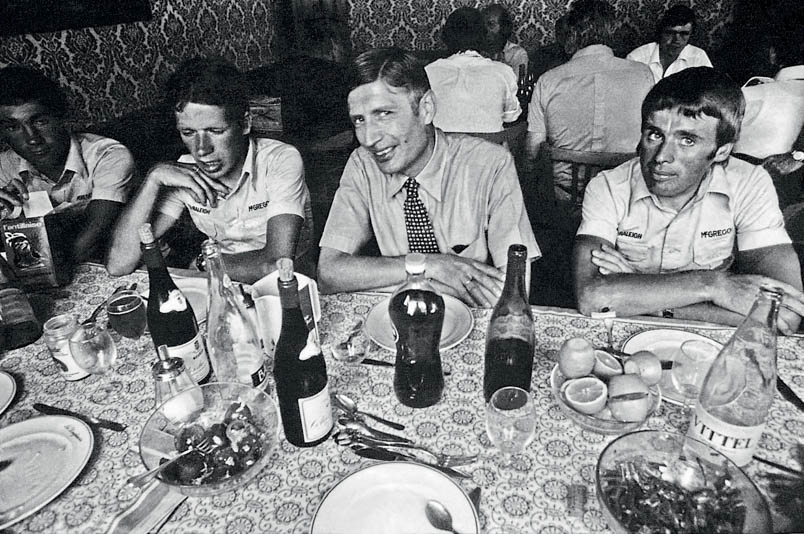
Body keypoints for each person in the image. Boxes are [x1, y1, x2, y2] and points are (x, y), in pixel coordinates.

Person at [573, 67, 804, 334]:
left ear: (721, 151)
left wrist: (642, 297)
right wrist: (715, 286)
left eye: (687, 140)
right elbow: (592, 298)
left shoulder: (750, 183)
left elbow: (785, 316)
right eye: (655, 134)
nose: (661, 157)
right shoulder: (608, 187)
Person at [317, 47, 539, 308]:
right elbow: (329, 273)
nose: (368, 138)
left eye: (384, 114)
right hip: (404, 320)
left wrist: (381, 278)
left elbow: (515, 287)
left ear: (426, 109)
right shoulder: (362, 165)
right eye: (359, 120)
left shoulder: (491, 165)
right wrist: (433, 265)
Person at [106, 57, 314, 284]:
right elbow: (119, 264)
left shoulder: (279, 159)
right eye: (188, 133)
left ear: (245, 124)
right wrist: (153, 178)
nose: (202, 149)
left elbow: (275, 264)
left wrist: (205, 263)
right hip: (225, 284)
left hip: (291, 284)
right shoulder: (183, 173)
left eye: (215, 131)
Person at [0, 66, 135, 263]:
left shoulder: (108, 155)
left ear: (62, 118)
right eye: (13, 127)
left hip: (117, 260)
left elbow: (89, 240)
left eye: (40, 122)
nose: (32, 139)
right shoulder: (4, 167)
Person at [525, 0, 654, 205]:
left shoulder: (549, 80)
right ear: (612, 30)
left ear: (572, 32)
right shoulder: (643, 74)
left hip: (565, 199)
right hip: (622, 195)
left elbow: (532, 151)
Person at [425, 7, 521, 134]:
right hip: (488, 151)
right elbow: (511, 116)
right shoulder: (503, 72)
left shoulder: (428, 72)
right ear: (483, 36)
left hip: (443, 151)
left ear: (446, 37)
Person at [627, 5, 713, 84]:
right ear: (661, 32)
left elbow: (709, 91)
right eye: (670, 33)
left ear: (691, 35)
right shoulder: (637, 58)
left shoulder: (698, 58)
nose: (676, 40)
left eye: (684, 34)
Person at [483, 4, 528, 77]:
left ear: (504, 27)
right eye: (483, 25)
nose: (485, 30)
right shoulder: (476, 52)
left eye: (491, 24)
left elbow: (517, 84)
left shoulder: (517, 54)